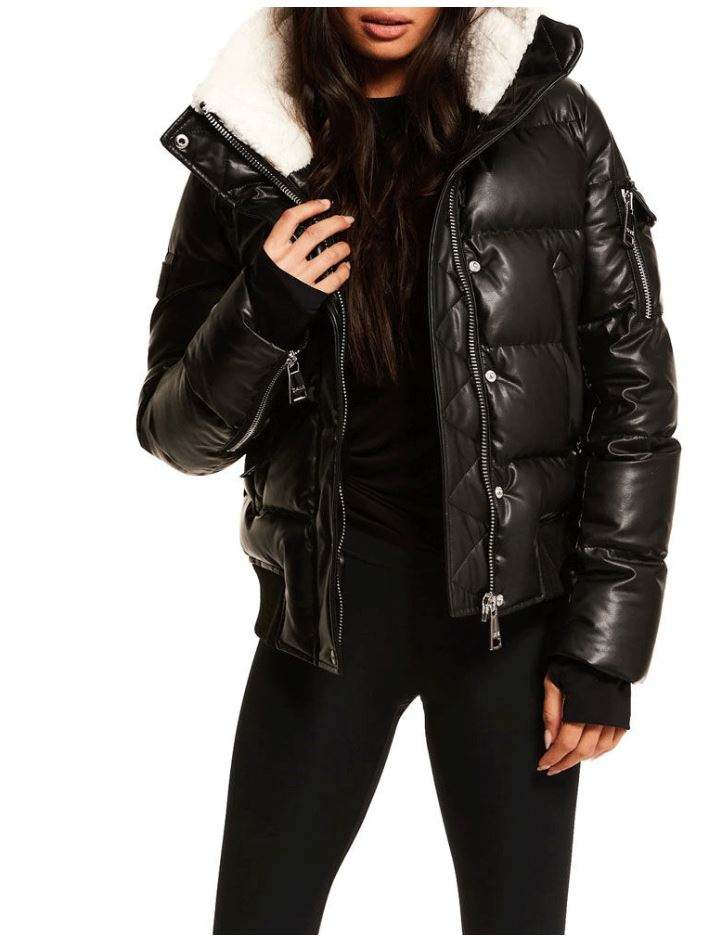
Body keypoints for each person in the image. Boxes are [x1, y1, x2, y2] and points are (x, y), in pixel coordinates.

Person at [137, 8, 679, 934]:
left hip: (512, 619)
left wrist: (601, 652)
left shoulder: (553, 124)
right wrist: (265, 304)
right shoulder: (253, 140)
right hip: (329, 609)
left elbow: (634, 397)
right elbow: (178, 433)